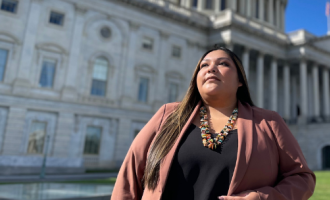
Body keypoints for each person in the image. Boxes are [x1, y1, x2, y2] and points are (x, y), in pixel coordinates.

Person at [112, 46, 316, 200]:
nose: (211, 69)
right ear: (196, 79)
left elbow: (302, 178)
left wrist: (263, 198)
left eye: (223, 64)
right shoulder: (167, 116)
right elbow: (129, 179)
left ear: (240, 81)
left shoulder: (268, 122)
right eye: (204, 65)